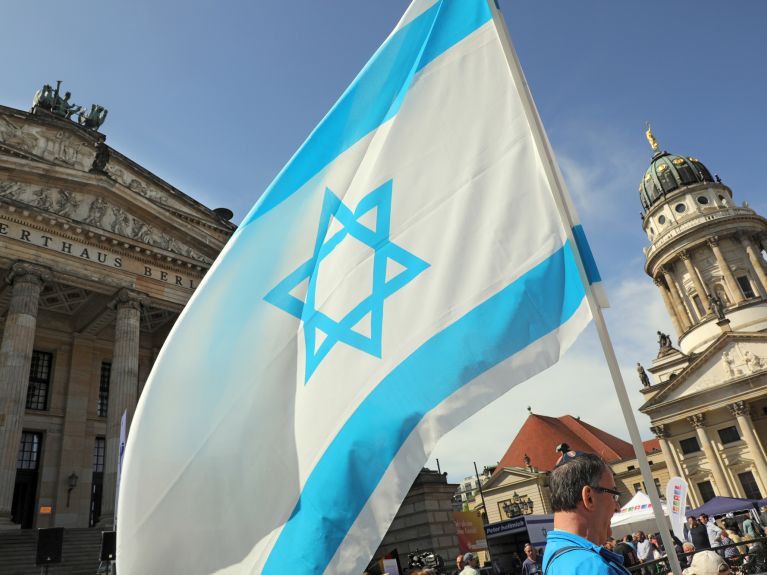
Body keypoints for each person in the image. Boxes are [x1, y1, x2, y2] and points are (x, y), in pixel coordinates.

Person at [540, 451, 628, 573]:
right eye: (613, 495)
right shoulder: (590, 566)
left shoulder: (557, 554)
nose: (617, 507)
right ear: (589, 498)